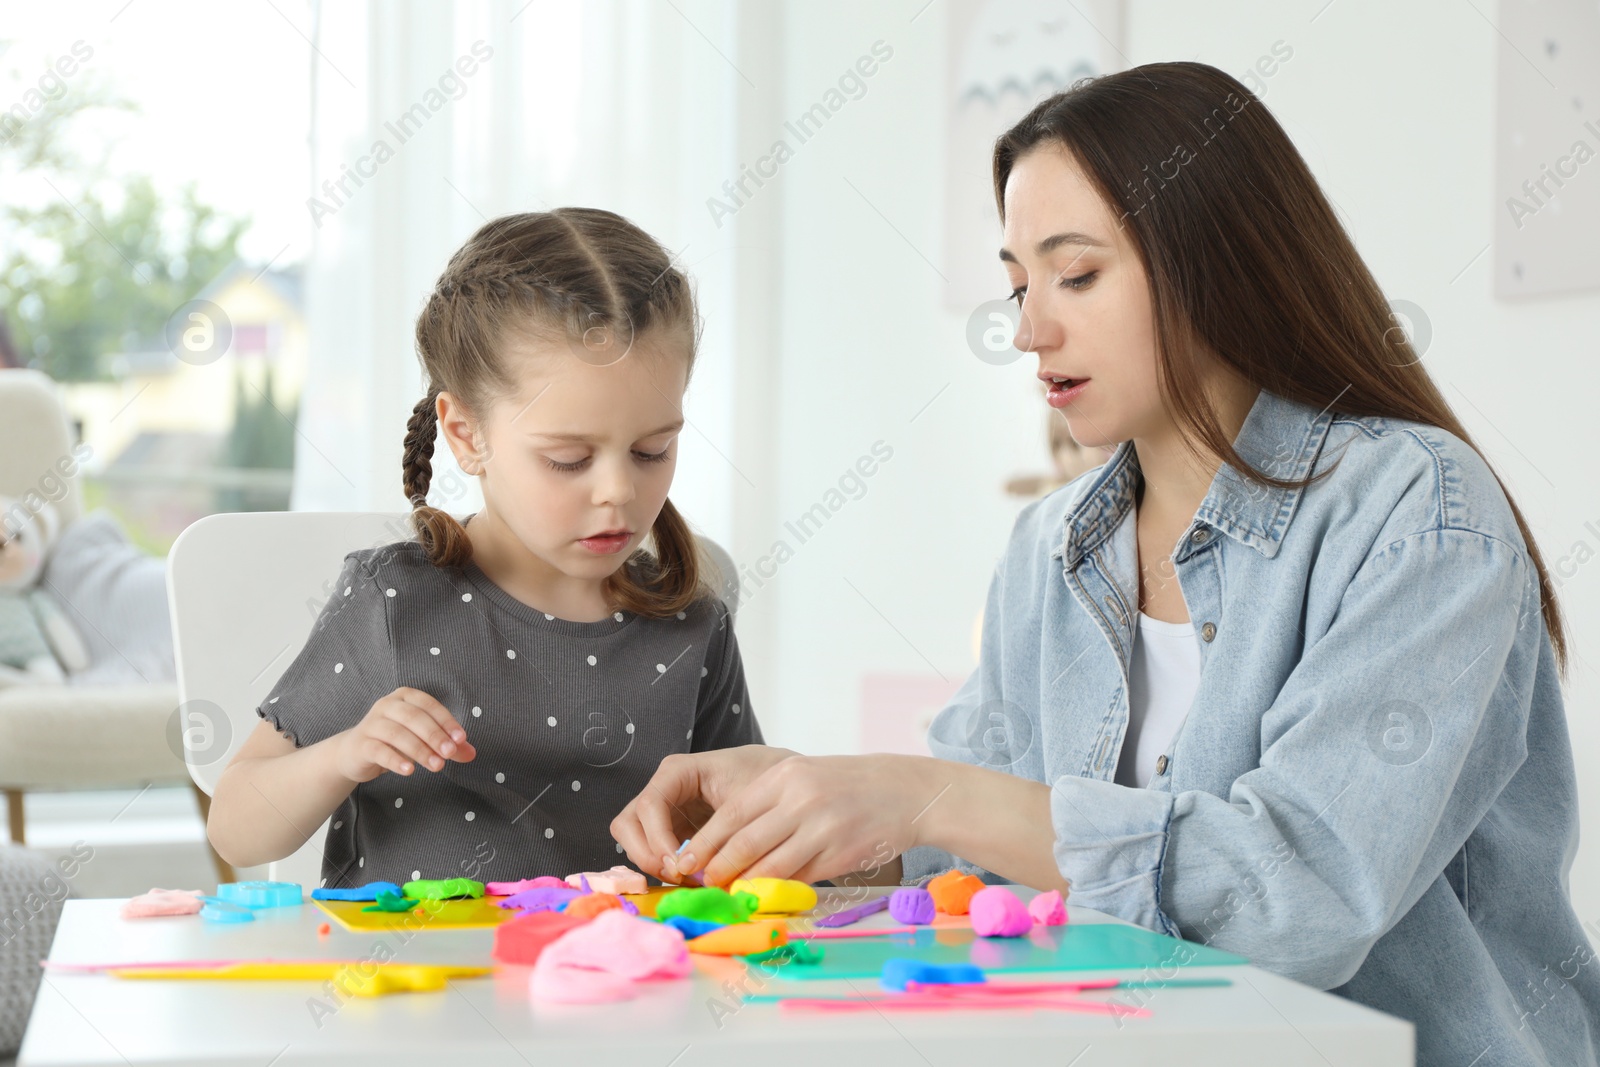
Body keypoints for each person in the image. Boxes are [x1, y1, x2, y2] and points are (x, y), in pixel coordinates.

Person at [611, 63, 1599, 1065]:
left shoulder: (1415, 511)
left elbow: (1303, 894)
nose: (1027, 328)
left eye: (1075, 275)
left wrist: (921, 790)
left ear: (1215, 256)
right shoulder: (1050, 548)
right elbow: (976, 855)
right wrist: (801, 806)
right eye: (1015, 284)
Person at [208, 209, 762, 889]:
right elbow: (235, 827)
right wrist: (345, 754)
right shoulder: (394, 603)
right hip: (417, 985)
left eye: (653, 450)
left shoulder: (691, 624)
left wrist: (736, 827)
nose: (619, 490)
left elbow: (754, 828)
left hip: (626, 985)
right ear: (467, 436)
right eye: (569, 458)